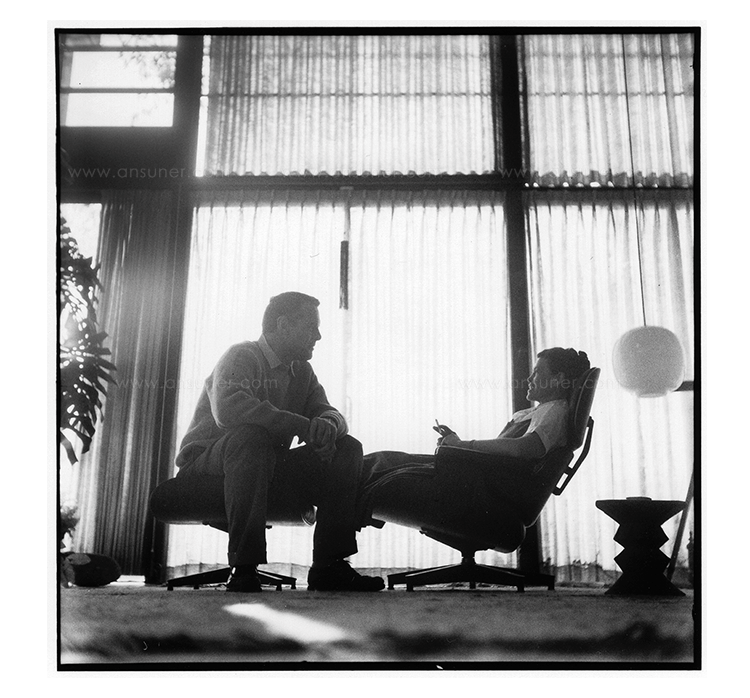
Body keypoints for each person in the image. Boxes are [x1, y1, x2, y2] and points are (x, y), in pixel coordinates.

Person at [174, 291, 384, 593]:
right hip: (207, 463)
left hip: (265, 463)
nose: (318, 336)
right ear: (283, 325)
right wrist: (302, 425)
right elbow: (229, 410)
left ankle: (329, 566)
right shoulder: (241, 355)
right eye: (311, 327)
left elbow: (330, 412)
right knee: (250, 437)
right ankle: (244, 567)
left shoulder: (302, 371)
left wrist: (327, 426)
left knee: (347, 448)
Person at [360, 348, 591, 489]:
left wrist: (463, 445)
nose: (529, 379)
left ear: (558, 379)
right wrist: (456, 443)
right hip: (480, 477)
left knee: (383, 463)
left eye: (537, 372)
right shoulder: (541, 411)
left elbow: (524, 449)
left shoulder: (554, 410)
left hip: (482, 484)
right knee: (382, 461)